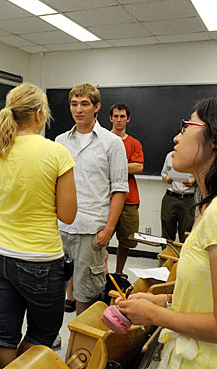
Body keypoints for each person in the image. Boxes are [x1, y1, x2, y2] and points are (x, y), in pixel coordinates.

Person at [117, 97, 217, 368]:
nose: (176, 138)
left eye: (186, 126)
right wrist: (165, 300)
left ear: (215, 138)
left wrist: (155, 315)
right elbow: (212, 298)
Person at [0, 83, 77, 368]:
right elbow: (68, 215)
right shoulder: (57, 153)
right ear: (39, 113)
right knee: (42, 334)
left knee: (3, 337)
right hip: (40, 259)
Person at [55, 83, 128, 315]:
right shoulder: (60, 141)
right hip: (60, 229)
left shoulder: (112, 143)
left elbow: (119, 189)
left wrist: (108, 229)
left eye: (84, 104)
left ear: (96, 107)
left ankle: (80, 346)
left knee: (86, 293)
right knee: (54, 289)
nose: (79, 109)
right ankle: (50, 340)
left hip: (91, 230)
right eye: (74, 104)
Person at [109, 103, 144, 274]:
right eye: (115, 116)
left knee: (127, 240)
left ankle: (118, 273)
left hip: (130, 200)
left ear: (128, 119)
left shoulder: (134, 143)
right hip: (105, 199)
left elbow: (138, 167)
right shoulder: (103, 140)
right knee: (101, 239)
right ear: (110, 118)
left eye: (122, 116)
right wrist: (126, 165)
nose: (119, 120)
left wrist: (114, 165)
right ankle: (103, 274)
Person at [160, 151, 196, 243]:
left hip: (188, 199)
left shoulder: (196, 157)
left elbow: (203, 177)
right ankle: (166, 255)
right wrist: (166, 178)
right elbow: (163, 174)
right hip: (171, 196)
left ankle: (183, 256)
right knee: (167, 229)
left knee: (186, 231)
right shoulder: (170, 156)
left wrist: (193, 182)